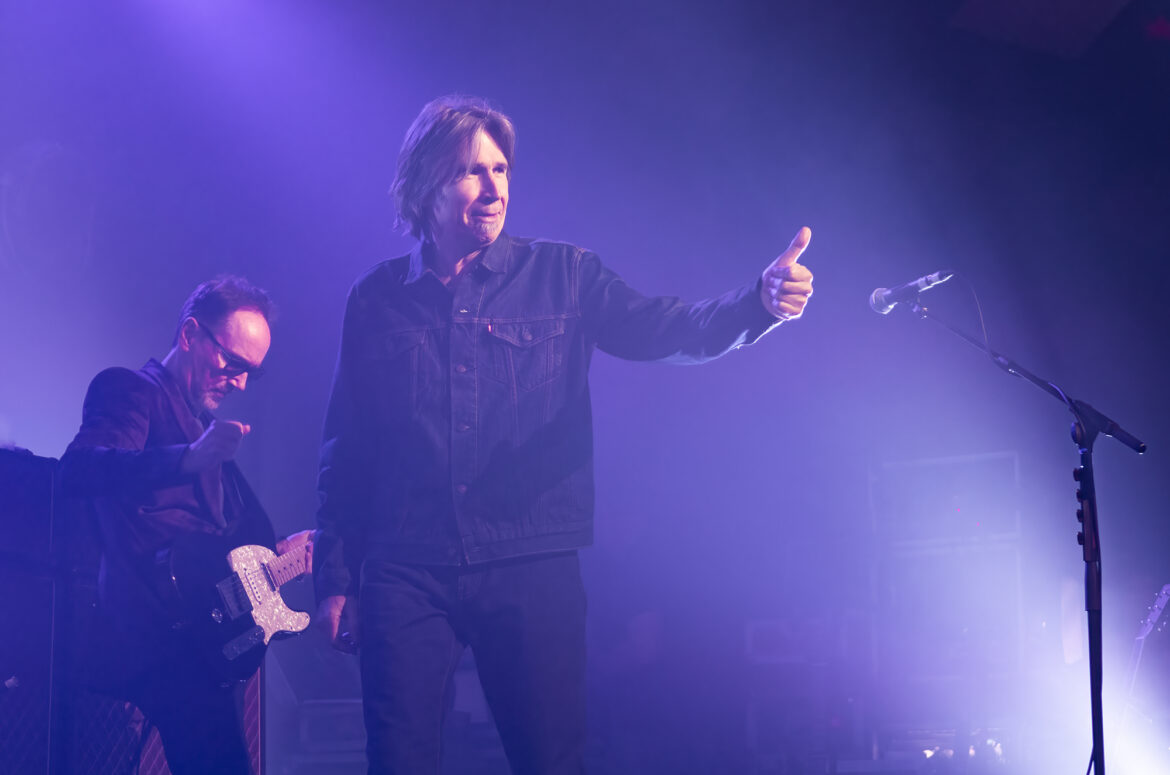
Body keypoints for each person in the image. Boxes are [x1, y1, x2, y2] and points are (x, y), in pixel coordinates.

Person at [313, 95, 815, 775]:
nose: (493, 188)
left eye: (501, 169)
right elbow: (347, 445)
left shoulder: (564, 275)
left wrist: (756, 301)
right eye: (470, 171)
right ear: (425, 185)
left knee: (550, 760)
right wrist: (335, 578)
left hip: (530, 561)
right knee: (397, 759)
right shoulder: (375, 299)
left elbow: (665, 328)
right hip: (408, 564)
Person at [59, 275, 293, 775]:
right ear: (190, 335)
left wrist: (282, 555)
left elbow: (220, 543)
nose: (240, 382)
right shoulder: (130, 390)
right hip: (155, 635)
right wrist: (185, 459)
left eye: (252, 372)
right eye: (232, 364)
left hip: (201, 643)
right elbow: (78, 468)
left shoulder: (206, 435)